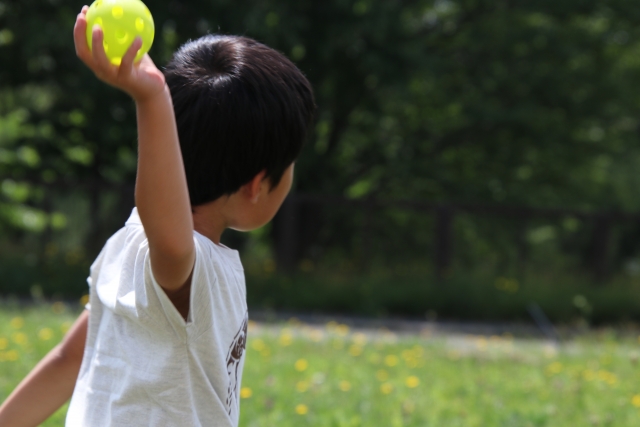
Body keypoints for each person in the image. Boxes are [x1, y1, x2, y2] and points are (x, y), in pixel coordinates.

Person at [0, 5, 315, 427]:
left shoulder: (128, 245)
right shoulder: (189, 266)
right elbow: (171, 241)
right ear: (257, 184)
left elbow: (71, 357)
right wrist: (151, 96)